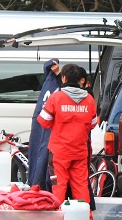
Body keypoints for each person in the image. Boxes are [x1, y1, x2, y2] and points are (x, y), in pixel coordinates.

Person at [37, 63, 97, 206]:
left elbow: (43, 121)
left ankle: (58, 218)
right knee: (81, 184)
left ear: (63, 79)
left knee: (59, 185)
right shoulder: (89, 99)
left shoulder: (56, 98)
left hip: (59, 152)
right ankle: (84, 217)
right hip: (80, 151)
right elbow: (93, 124)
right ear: (80, 80)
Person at [27, 58, 61, 188]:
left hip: (46, 132)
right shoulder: (59, 91)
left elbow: (41, 119)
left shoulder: (48, 88)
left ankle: (37, 185)